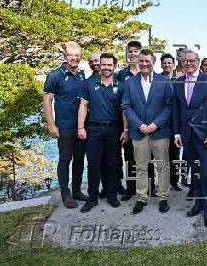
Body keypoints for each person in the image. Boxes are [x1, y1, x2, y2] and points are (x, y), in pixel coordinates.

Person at [172, 50, 207, 228]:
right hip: (187, 136)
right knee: (195, 172)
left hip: (206, 136)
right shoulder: (178, 82)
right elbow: (177, 110)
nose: (189, 63)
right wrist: (177, 133)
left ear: (198, 62)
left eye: (192, 60)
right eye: (185, 61)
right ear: (182, 63)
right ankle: (198, 203)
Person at [123, 49, 173, 214]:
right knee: (141, 167)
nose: (144, 64)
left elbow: (169, 106)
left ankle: (163, 197)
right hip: (139, 132)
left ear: (154, 62)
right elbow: (126, 106)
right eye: (141, 61)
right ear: (138, 62)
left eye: (147, 61)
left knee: (163, 166)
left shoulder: (164, 81)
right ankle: (142, 198)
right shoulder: (130, 82)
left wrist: (156, 124)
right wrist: (139, 125)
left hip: (159, 132)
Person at [77, 53, 129, 212]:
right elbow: (83, 106)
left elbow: (124, 110)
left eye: (109, 65)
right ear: (100, 65)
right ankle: (92, 198)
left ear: (114, 67)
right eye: (103, 64)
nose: (106, 67)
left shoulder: (121, 86)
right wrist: (80, 127)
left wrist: (126, 130)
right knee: (93, 164)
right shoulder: (89, 84)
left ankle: (112, 195)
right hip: (94, 129)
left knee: (112, 163)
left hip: (114, 129)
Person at [43, 41, 87, 209]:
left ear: (80, 57)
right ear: (65, 56)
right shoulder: (55, 75)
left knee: (79, 160)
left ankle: (76, 190)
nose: (74, 58)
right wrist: (51, 125)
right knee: (65, 160)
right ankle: (65, 194)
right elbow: (47, 101)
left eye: (77, 56)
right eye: (70, 55)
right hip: (64, 126)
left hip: (81, 126)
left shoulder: (82, 75)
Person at [116, 40, 150, 201]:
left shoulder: (149, 73)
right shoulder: (121, 75)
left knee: (148, 157)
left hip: (147, 123)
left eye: (137, 51)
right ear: (127, 53)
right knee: (129, 157)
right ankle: (131, 189)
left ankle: (150, 188)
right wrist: (126, 128)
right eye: (131, 51)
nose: (133, 54)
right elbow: (123, 103)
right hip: (128, 122)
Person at [160, 53, 182, 191]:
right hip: (161, 123)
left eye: (169, 63)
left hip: (175, 123)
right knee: (161, 155)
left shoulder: (179, 79)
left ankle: (175, 181)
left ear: (173, 65)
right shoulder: (156, 79)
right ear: (161, 64)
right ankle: (162, 182)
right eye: (165, 63)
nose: (167, 65)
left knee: (175, 155)